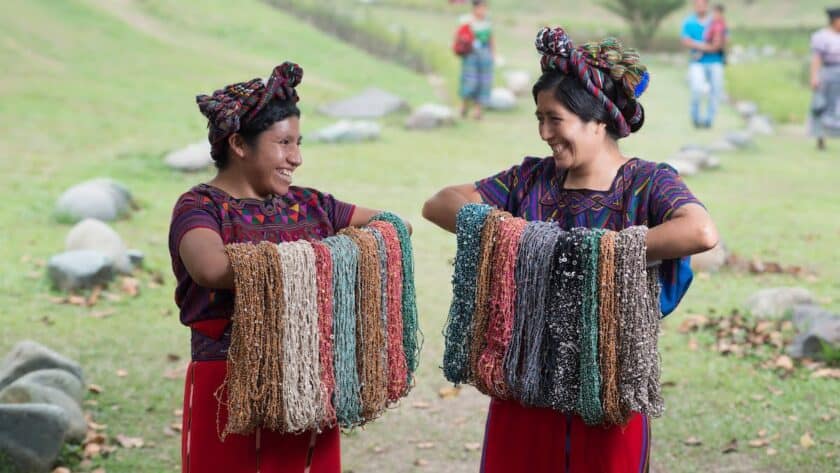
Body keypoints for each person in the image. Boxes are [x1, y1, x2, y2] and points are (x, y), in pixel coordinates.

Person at [423, 27, 718, 473]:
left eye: (554, 119)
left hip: (608, 385)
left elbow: (699, 232)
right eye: (539, 118)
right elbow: (440, 204)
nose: (544, 132)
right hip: (523, 376)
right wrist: (522, 236)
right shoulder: (529, 179)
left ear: (598, 119)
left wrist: (595, 252)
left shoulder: (647, 183)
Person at [169, 62, 401, 473]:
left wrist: (338, 254)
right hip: (226, 388)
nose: (296, 157)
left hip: (308, 385)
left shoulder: (312, 204)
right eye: (283, 143)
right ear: (239, 144)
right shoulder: (199, 207)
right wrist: (312, 257)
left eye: (298, 143)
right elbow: (210, 268)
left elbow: (395, 225)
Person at [681, 0, 726, 128]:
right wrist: (707, 47)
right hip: (697, 63)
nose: (700, 7)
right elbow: (686, 41)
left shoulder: (716, 21)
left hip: (715, 62)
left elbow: (721, 42)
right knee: (696, 90)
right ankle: (696, 119)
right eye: (697, 4)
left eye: (702, 4)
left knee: (715, 92)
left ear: (707, 5)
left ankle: (709, 121)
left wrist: (701, 47)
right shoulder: (689, 22)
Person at [458, 0, 495, 120]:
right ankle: (464, 107)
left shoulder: (487, 22)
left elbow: (491, 39)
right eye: (481, 7)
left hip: (485, 56)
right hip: (471, 55)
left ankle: (478, 111)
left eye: (485, 8)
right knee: (470, 81)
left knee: (484, 82)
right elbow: (459, 36)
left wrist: (493, 54)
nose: (483, 10)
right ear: (475, 8)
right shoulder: (466, 21)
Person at [810, 7, 840, 150]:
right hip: (828, 73)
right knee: (822, 106)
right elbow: (817, 58)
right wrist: (814, 76)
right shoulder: (822, 36)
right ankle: (821, 137)